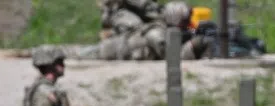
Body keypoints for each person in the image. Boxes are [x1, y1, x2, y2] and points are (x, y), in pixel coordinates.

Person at [62, 2, 210, 62]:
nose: (189, 24)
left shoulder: (165, 29)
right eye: (185, 21)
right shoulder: (157, 34)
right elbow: (172, 59)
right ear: (177, 21)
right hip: (114, 50)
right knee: (75, 54)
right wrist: (192, 45)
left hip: (121, 45)